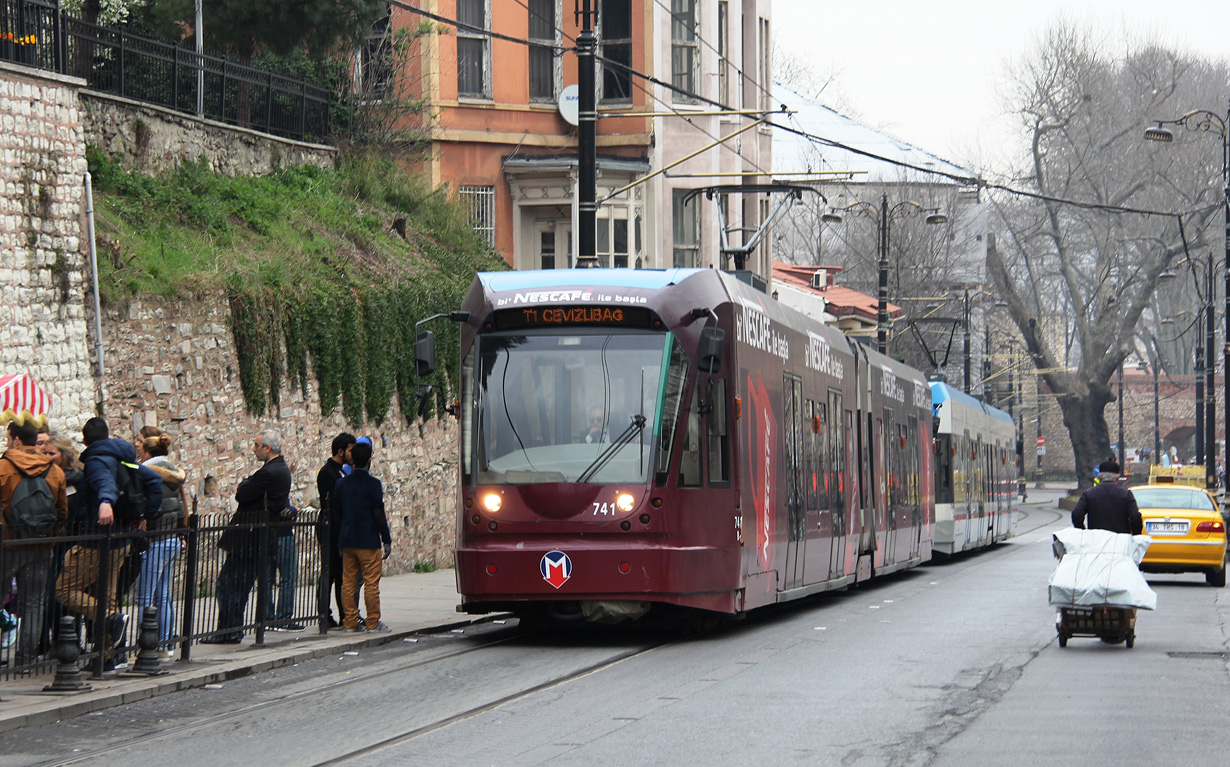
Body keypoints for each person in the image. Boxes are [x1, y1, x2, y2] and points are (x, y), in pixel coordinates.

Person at [56, 417, 161, 669]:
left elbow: (105, 482)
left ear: (84, 440)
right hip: (121, 538)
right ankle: (107, 657)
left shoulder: (96, 460)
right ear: (108, 435)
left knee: (63, 589)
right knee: (107, 595)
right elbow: (153, 480)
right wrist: (145, 513)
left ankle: (112, 619)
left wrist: (105, 501)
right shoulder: (123, 456)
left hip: (96, 538)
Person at [205, 429, 291, 644]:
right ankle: (231, 628)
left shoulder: (269, 472)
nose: (254, 449)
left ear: (267, 448)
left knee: (229, 584)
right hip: (259, 536)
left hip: (250, 536)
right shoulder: (281, 470)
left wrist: (245, 483)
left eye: (256, 445)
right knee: (237, 586)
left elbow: (242, 492)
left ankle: (229, 630)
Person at [0, 422, 68, 667]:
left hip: (7, 543)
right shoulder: (54, 470)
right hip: (41, 544)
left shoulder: (3, 466)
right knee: (34, 602)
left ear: (16, 440)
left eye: (8, 437)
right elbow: (62, 511)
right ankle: (26, 659)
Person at [135, 433, 187, 656]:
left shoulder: (147, 474)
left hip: (155, 540)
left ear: (147, 453)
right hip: (172, 538)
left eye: (139, 449)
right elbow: (180, 509)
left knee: (145, 596)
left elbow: (151, 507)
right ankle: (165, 644)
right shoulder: (174, 473)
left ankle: (147, 646)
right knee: (163, 595)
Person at [332, 440, 391, 633]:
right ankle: (373, 622)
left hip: (348, 539)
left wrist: (339, 539)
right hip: (368, 539)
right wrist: (386, 538)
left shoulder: (341, 484)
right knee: (371, 583)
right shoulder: (373, 484)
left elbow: (337, 514)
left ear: (352, 461)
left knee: (348, 582)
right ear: (369, 461)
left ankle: (350, 621)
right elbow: (378, 513)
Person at [316, 432, 355, 629]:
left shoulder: (342, 471)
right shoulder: (327, 473)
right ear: (341, 451)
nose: (353, 453)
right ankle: (324, 614)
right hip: (331, 531)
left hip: (340, 530)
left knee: (342, 575)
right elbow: (332, 506)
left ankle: (345, 614)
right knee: (329, 574)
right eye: (350, 449)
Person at [1072, 460, 1143, 535]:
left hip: (1096, 539)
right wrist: (1136, 534)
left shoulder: (1088, 494)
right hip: (1120, 540)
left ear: (1099, 477)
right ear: (1118, 478)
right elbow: (1135, 517)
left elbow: (1076, 514)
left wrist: (1084, 532)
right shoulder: (1126, 494)